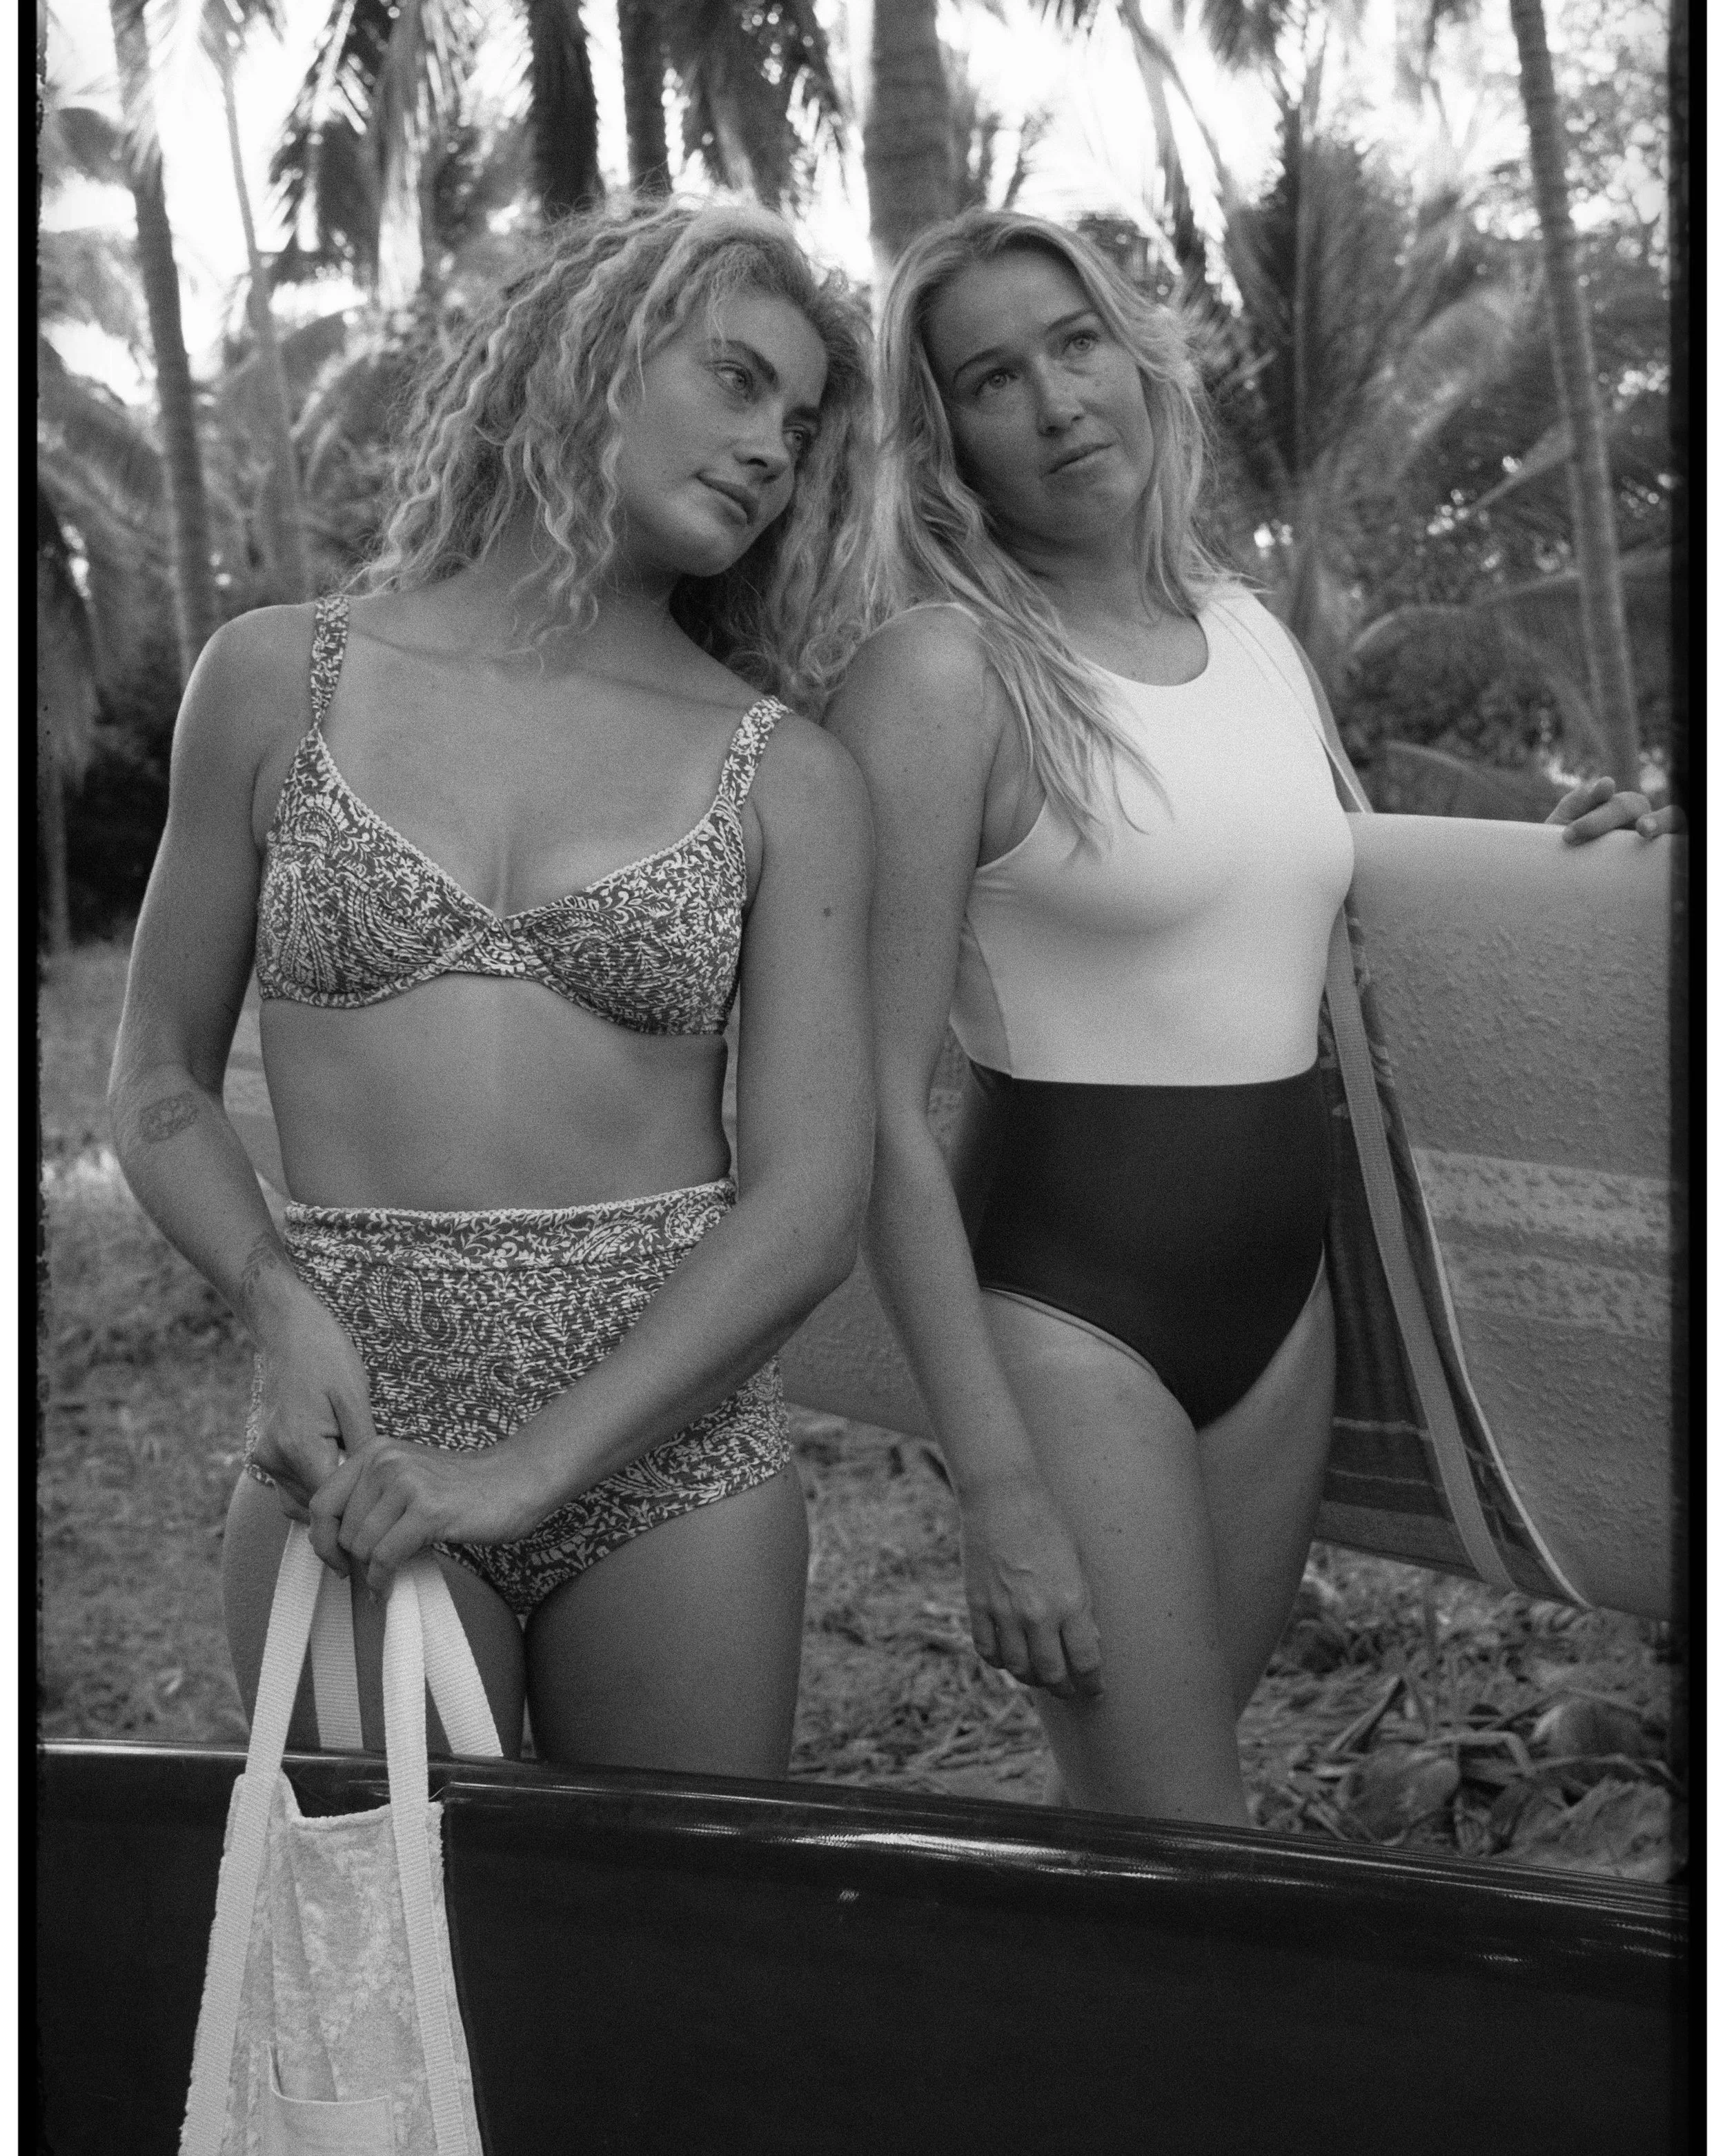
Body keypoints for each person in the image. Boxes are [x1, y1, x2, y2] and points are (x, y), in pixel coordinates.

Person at [827, 206, 1677, 1826]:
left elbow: (1335, 897)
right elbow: (869, 1098)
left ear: (1136, 362)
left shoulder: (1248, 634)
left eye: (1074, 345)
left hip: (1278, 1321)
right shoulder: (942, 676)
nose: (1058, 399)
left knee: (1166, 1801)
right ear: (947, 444)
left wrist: (1585, 846)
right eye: (993, 378)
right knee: (1181, 1836)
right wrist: (990, 1469)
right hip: (1071, 1320)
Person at [109, 198, 876, 1777]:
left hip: (671, 1449)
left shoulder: (786, 770)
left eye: (797, 428)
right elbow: (160, 1081)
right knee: (376, 1972)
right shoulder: (274, 678)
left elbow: (811, 1198)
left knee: (665, 1958)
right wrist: (276, 1300)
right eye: (733, 382)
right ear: (582, 354)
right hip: (354, 1430)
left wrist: (533, 1464)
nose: (767, 451)